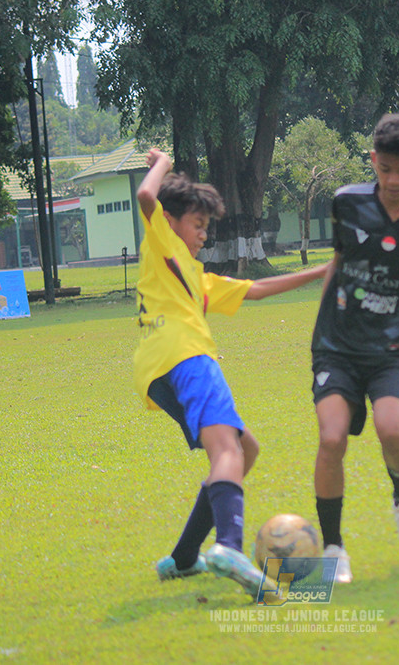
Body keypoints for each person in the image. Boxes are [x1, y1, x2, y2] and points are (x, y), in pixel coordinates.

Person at [134, 149, 327, 598]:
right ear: (172, 220)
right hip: (188, 359)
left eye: (206, 228)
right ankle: (228, 547)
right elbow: (147, 193)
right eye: (198, 225)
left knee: (245, 450)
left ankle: (183, 559)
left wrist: (320, 271)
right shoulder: (162, 241)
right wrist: (161, 161)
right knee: (226, 451)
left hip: (157, 371)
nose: (203, 235)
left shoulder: (192, 276)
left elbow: (255, 289)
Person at [310, 113, 399, 584]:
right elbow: (338, 262)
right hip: (339, 343)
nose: (393, 180)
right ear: (373, 160)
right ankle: (333, 548)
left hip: (396, 345)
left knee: (392, 429)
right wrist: (322, 329)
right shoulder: (346, 204)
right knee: (331, 439)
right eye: (385, 168)